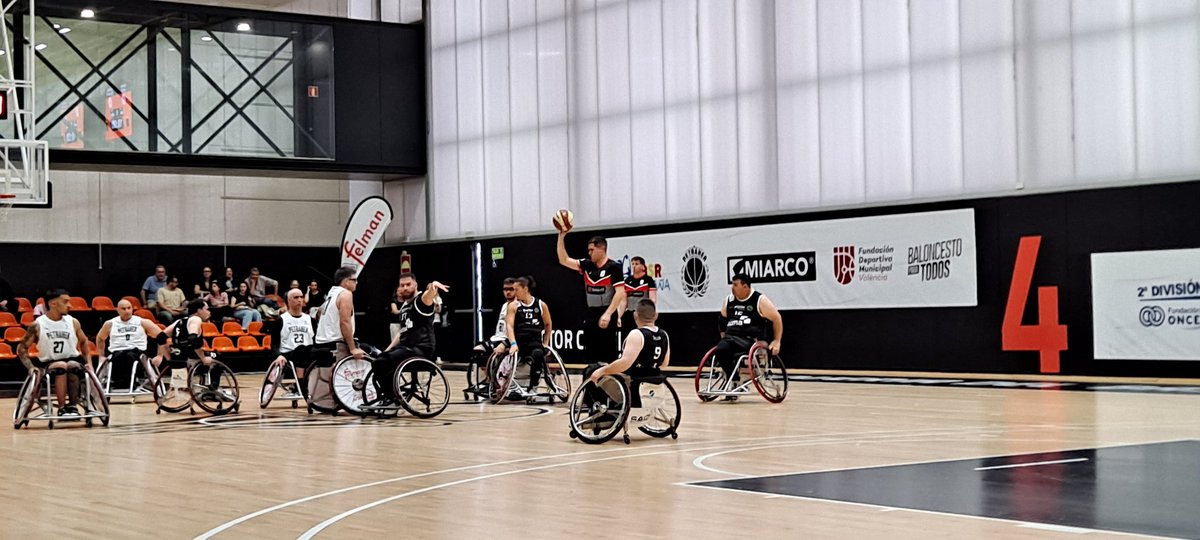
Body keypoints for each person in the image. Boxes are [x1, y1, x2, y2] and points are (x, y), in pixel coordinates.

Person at [16, 289, 93, 416]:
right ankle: (62, 407)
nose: (70, 305)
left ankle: (73, 406)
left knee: (72, 365)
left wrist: (89, 363)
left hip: (72, 358)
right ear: (53, 303)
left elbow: (84, 342)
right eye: (66, 302)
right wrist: (30, 367)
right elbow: (22, 348)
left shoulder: (73, 322)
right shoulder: (38, 324)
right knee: (61, 366)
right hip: (49, 363)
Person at [376, 274, 449, 401]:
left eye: (408, 285)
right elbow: (402, 332)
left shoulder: (420, 301)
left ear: (415, 285)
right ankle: (388, 394)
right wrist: (387, 349)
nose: (405, 288)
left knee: (383, 361)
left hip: (421, 349)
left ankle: (393, 398)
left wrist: (433, 286)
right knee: (378, 360)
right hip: (406, 348)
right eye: (402, 285)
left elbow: (428, 296)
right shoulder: (404, 306)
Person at [557, 233, 624, 363]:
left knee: (608, 350)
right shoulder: (587, 265)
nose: (589, 253)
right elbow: (563, 260)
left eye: (592, 250)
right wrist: (561, 236)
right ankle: (591, 381)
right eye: (588, 250)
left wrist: (608, 314)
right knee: (590, 350)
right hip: (591, 313)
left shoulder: (614, 267)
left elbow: (620, 292)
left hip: (606, 311)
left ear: (602, 249)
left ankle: (610, 381)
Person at [714, 274, 783, 400]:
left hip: (750, 340)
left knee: (727, 347)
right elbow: (722, 320)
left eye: (735, 285)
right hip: (731, 338)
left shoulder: (759, 300)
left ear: (745, 287)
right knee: (721, 349)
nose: (732, 288)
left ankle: (736, 382)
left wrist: (776, 341)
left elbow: (777, 318)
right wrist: (723, 337)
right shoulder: (729, 300)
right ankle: (735, 379)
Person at [588, 299, 670, 384]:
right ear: (656, 315)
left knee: (592, 370)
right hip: (656, 379)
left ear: (635, 315)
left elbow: (624, 364)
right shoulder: (664, 334)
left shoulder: (637, 334)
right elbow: (664, 364)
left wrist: (602, 371)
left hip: (634, 382)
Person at [95, 299, 166, 391]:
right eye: (123, 308)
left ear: (132, 309)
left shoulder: (142, 322)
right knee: (118, 356)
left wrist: (160, 355)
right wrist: (101, 356)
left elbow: (162, 336)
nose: (127, 311)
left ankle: (129, 382)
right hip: (116, 353)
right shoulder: (110, 323)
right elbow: (100, 338)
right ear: (118, 310)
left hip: (137, 353)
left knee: (129, 355)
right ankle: (118, 382)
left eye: (129, 308)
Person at [162, 299, 225, 398]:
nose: (209, 312)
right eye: (207, 309)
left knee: (204, 354)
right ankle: (213, 389)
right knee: (218, 355)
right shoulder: (196, 319)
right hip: (190, 355)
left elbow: (160, 337)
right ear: (199, 310)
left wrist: (167, 357)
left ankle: (203, 379)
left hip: (177, 356)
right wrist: (203, 358)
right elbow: (193, 339)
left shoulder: (179, 321)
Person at [505, 276, 553, 395]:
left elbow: (548, 325)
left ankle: (533, 386)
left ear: (525, 289)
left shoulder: (541, 305)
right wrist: (513, 343)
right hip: (519, 343)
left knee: (538, 354)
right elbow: (509, 326)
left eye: (517, 290)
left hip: (535, 343)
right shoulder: (513, 306)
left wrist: (546, 343)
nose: (514, 293)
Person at [314, 266, 365, 361]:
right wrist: (353, 348)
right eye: (354, 280)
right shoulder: (346, 294)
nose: (357, 283)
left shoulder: (331, 293)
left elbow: (318, 314)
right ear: (346, 281)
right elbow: (345, 322)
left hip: (321, 342)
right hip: (335, 344)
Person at [468, 277, 517, 374]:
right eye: (505, 289)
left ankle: (493, 379)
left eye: (511, 289)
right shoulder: (504, 305)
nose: (508, 292)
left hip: (506, 340)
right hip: (496, 338)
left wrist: (505, 343)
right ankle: (487, 378)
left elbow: (515, 329)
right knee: (477, 350)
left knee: (487, 352)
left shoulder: (517, 306)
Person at [269, 288, 314, 384]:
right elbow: (274, 343)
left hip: (308, 353)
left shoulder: (310, 319)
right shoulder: (281, 320)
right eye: (296, 297)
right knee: (301, 351)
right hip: (288, 354)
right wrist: (279, 355)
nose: (299, 299)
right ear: (288, 301)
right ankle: (300, 384)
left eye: (301, 297)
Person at [612, 256, 657, 338]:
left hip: (642, 314)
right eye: (632, 264)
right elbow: (624, 301)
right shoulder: (628, 281)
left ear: (643, 266)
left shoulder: (648, 280)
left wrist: (649, 314)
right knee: (628, 335)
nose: (634, 266)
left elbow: (652, 299)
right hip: (630, 313)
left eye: (636, 264)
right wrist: (619, 316)